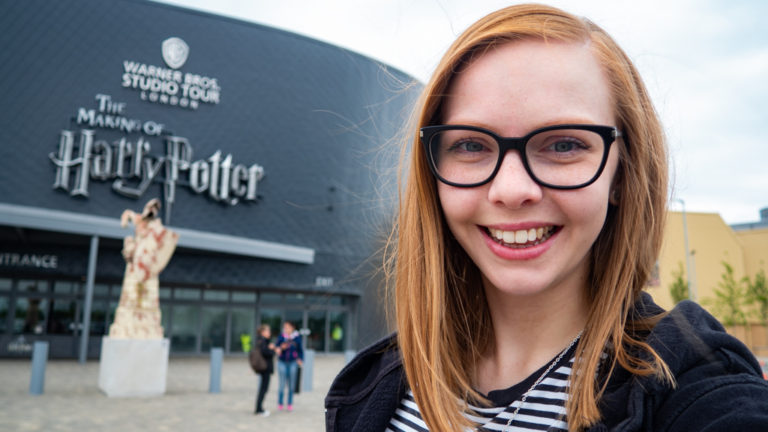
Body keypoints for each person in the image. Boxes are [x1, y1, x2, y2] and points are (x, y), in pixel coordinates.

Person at [325, 4, 768, 432]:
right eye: (471, 145)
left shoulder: (694, 386)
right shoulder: (374, 383)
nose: (512, 190)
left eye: (563, 145)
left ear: (621, 174)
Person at [276, 321, 303, 411]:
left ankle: (290, 403)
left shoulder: (297, 337)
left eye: (287, 327)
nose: (285, 329)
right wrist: (280, 348)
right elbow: (276, 347)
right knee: (282, 384)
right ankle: (280, 403)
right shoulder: (281, 337)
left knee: (291, 385)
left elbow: (300, 350)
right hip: (282, 362)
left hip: (293, 363)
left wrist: (300, 359)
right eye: (284, 327)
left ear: (292, 328)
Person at [254, 324, 276, 416]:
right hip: (265, 368)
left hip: (264, 368)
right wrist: (272, 349)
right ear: (263, 332)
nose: (269, 333)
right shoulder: (262, 341)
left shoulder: (262, 341)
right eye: (267, 331)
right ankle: (259, 409)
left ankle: (259, 408)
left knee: (263, 388)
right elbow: (266, 353)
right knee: (263, 389)